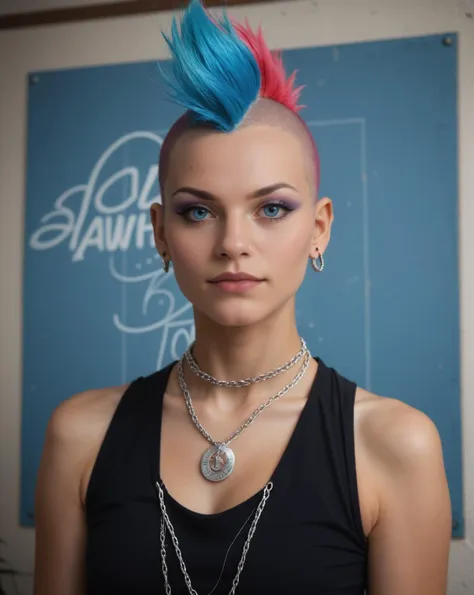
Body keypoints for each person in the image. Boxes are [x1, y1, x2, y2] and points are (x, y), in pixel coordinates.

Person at [33, 1, 452, 593]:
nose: (233, 243)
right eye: (198, 211)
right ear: (160, 232)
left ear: (320, 228)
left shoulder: (393, 444)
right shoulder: (80, 435)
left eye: (272, 209)